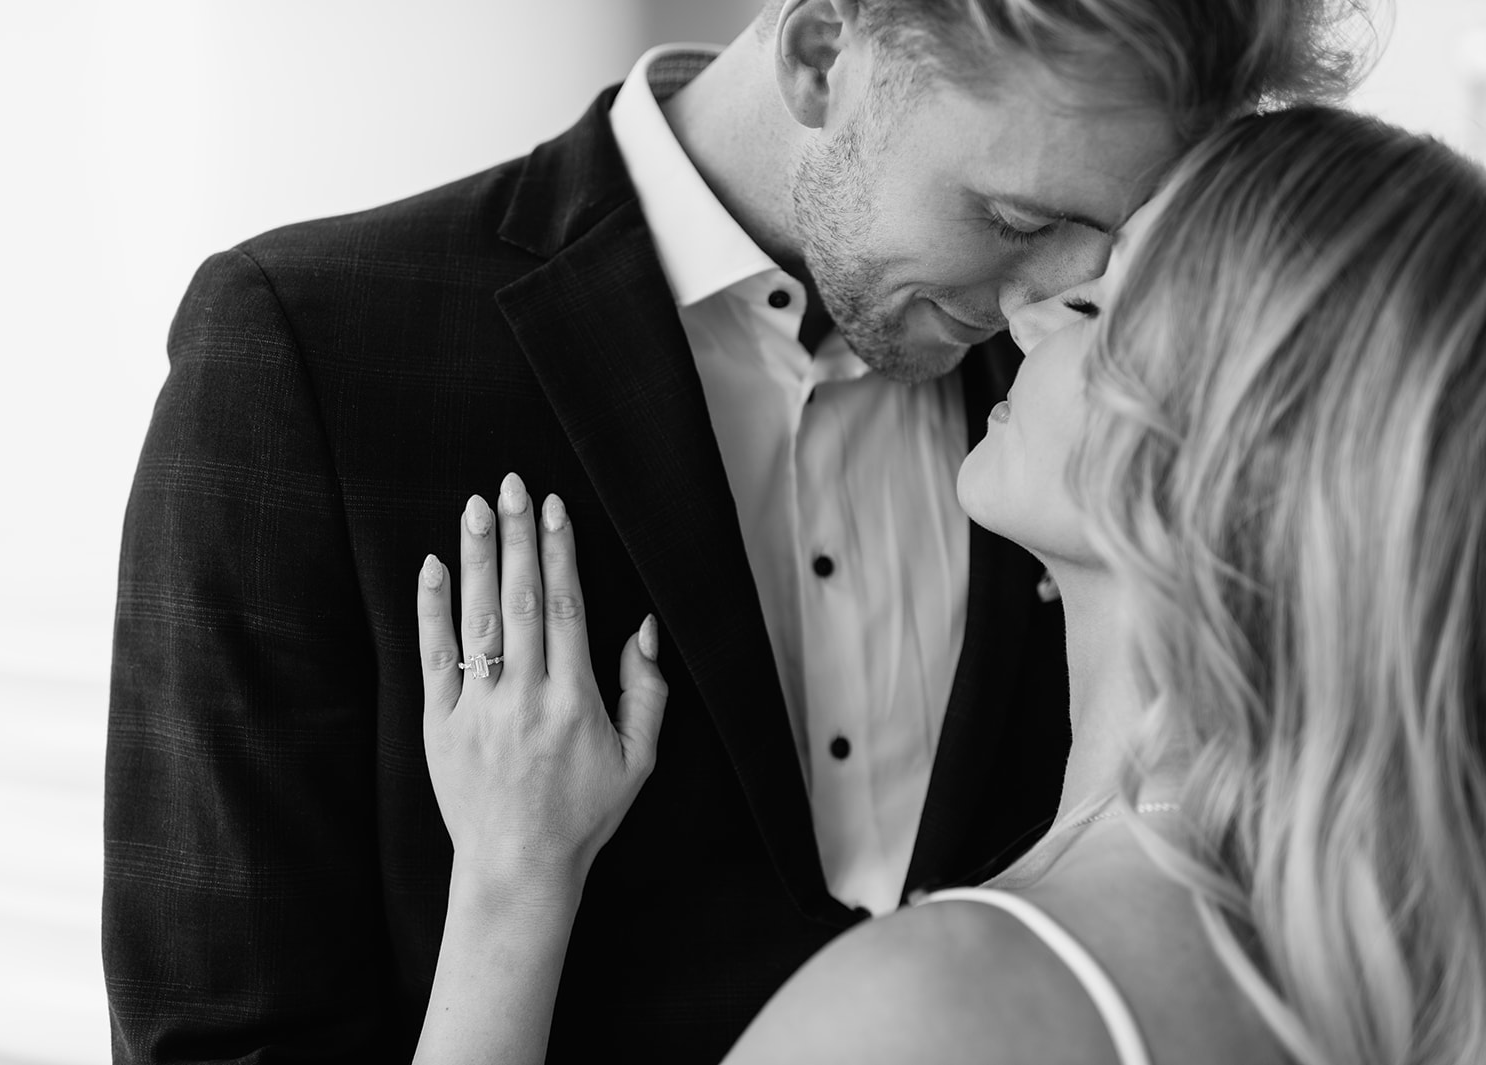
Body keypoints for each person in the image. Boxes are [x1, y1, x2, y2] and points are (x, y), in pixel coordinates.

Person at [104, 2, 1362, 1061]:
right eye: (1018, 223)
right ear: (823, 56)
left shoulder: (1082, 418)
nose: (1045, 301)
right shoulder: (312, 354)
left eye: (1112, 239)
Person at [413, 104, 1486, 1065]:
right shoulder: (1397, 960)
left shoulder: (936, 1008)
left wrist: (514, 882)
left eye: (1093, 310)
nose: (1023, 317)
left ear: (1221, 453)